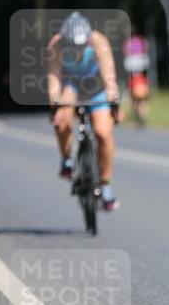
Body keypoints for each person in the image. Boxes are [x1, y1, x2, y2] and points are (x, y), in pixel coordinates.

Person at [47, 12, 121, 211]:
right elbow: (54, 79)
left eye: (82, 46)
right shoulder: (56, 44)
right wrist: (54, 105)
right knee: (62, 117)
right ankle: (67, 160)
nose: (78, 50)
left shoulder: (98, 41)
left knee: (103, 134)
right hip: (71, 85)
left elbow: (109, 74)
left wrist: (113, 98)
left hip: (96, 87)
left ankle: (105, 185)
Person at [122, 30, 150, 126]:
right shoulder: (142, 41)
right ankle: (141, 116)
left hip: (134, 79)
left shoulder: (128, 43)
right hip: (141, 78)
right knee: (142, 100)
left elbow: (126, 62)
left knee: (135, 99)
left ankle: (139, 115)